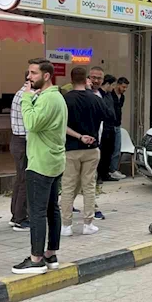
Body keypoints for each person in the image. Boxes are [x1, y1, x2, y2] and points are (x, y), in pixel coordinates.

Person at [13, 58, 67, 275]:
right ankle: (50, 254)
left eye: (33, 73)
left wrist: (26, 98)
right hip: (52, 160)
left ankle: (36, 259)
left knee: (37, 212)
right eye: (28, 72)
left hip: (41, 163)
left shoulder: (48, 98)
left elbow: (31, 124)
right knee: (52, 209)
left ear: (46, 76)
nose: (29, 77)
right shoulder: (55, 97)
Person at [60, 67, 102, 237]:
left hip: (70, 149)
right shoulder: (95, 99)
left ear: (71, 80)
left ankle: (66, 226)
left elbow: (60, 125)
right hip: (91, 149)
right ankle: (88, 224)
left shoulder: (64, 99)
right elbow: (111, 117)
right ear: (86, 80)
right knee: (89, 186)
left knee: (68, 187)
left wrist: (78, 136)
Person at [8, 74, 30, 232]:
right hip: (23, 141)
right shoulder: (26, 95)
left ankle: (15, 214)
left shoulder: (20, 92)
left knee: (20, 178)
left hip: (18, 140)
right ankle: (20, 218)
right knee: (25, 180)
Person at [97, 75, 118, 182]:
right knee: (102, 151)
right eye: (113, 85)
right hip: (103, 126)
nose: (114, 87)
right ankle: (99, 175)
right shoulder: (99, 94)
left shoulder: (110, 94)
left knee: (109, 150)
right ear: (107, 84)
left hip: (111, 126)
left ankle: (105, 173)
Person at [109, 77, 129, 180]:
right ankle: (108, 170)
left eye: (126, 87)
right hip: (110, 125)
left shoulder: (122, 97)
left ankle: (114, 169)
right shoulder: (110, 95)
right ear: (118, 85)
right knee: (110, 149)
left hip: (117, 124)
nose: (124, 89)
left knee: (117, 148)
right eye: (123, 87)